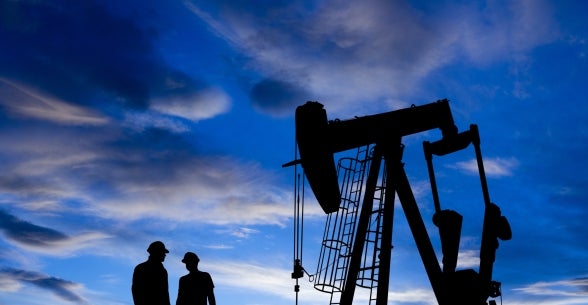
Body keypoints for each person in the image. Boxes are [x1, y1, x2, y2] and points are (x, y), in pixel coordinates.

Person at [132, 241, 171, 305]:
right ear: (156, 252)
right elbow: (136, 291)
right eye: (163, 252)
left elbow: (165, 293)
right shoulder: (141, 268)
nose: (165, 255)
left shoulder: (163, 271)